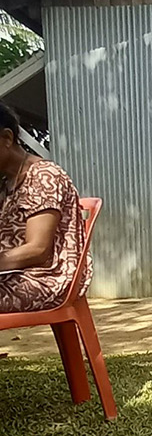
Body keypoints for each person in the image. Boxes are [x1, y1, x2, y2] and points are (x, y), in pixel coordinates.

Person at [0, 102, 89, 313]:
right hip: (13, 276)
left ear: (7, 138)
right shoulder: (7, 182)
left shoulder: (43, 177)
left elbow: (38, 250)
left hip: (45, 279)